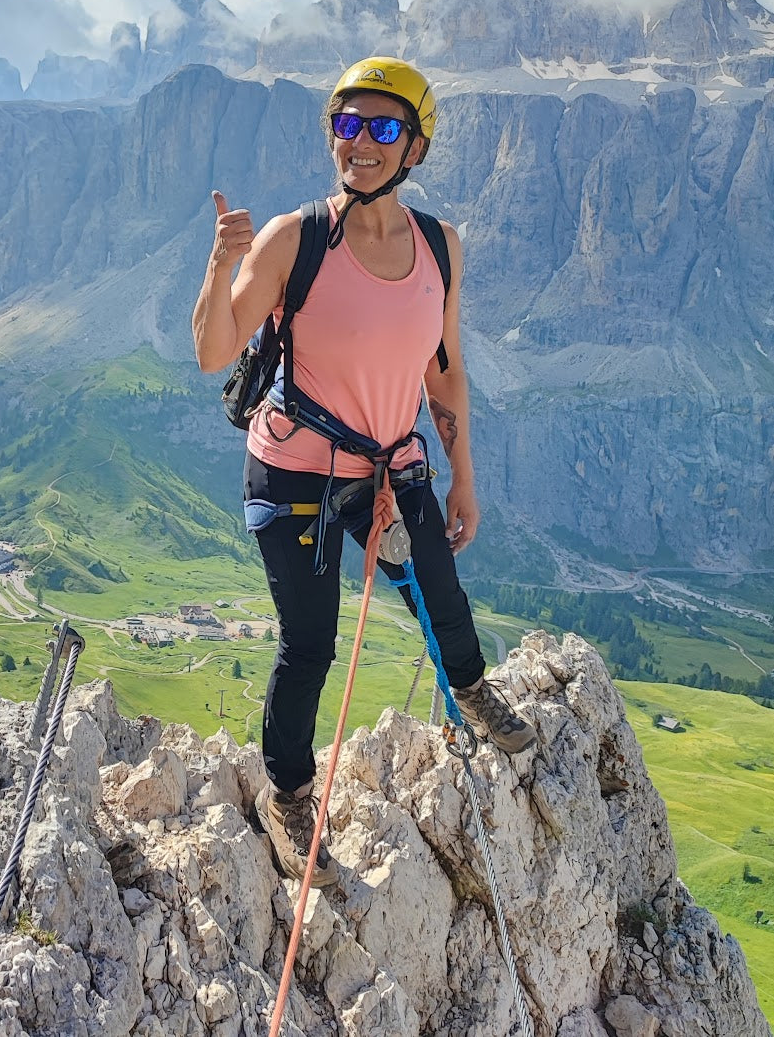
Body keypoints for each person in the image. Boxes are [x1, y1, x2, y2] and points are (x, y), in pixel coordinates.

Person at [192, 57, 534, 889]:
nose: (361, 143)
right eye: (347, 125)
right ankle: (289, 794)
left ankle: (471, 692)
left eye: (383, 128)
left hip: (390, 463)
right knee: (307, 642)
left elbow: (443, 372)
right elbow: (211, 353)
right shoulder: (293, 237)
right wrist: (218, 263)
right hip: (296, 470)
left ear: (414, 146)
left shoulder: (438, 249)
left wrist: (461, 476)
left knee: (441, 594)